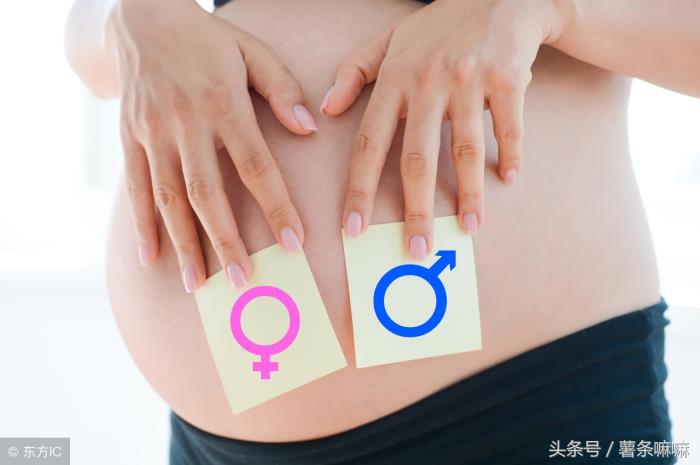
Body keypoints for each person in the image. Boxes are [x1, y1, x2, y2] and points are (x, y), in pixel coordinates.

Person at [65, 0, 699, 463]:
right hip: (216, 442)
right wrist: (132, 21)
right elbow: (85, 46)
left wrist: (549, 6)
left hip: (531, 405)